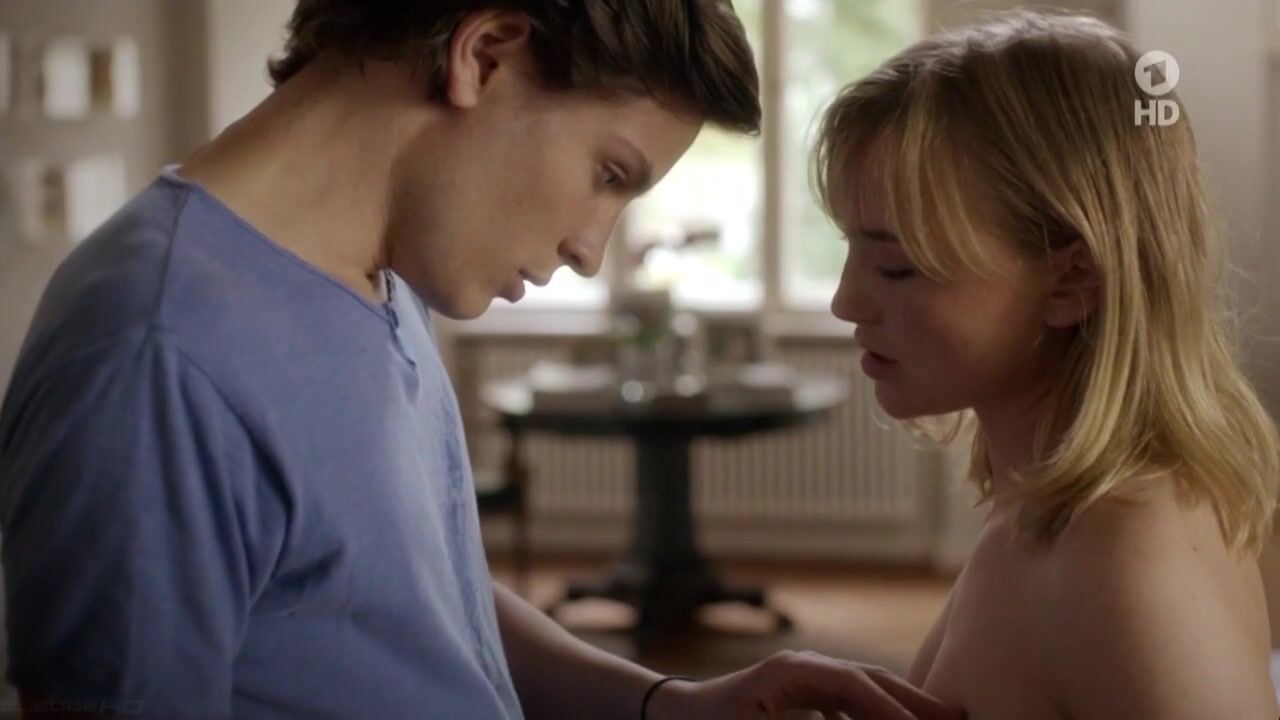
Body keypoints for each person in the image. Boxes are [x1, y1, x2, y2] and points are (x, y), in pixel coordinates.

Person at [0, 1, 966, 719]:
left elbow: (413, 597)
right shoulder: (159, 354)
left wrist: (666, 703)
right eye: (609, 174)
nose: (591, 248)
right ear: (485, 53)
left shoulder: (381, 278)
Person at [816, 8, 1280, 720]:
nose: (845, 302)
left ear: (1071, 280)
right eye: (851, 251)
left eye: (898, 268)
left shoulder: (1123, 561)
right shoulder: (1043, 509)